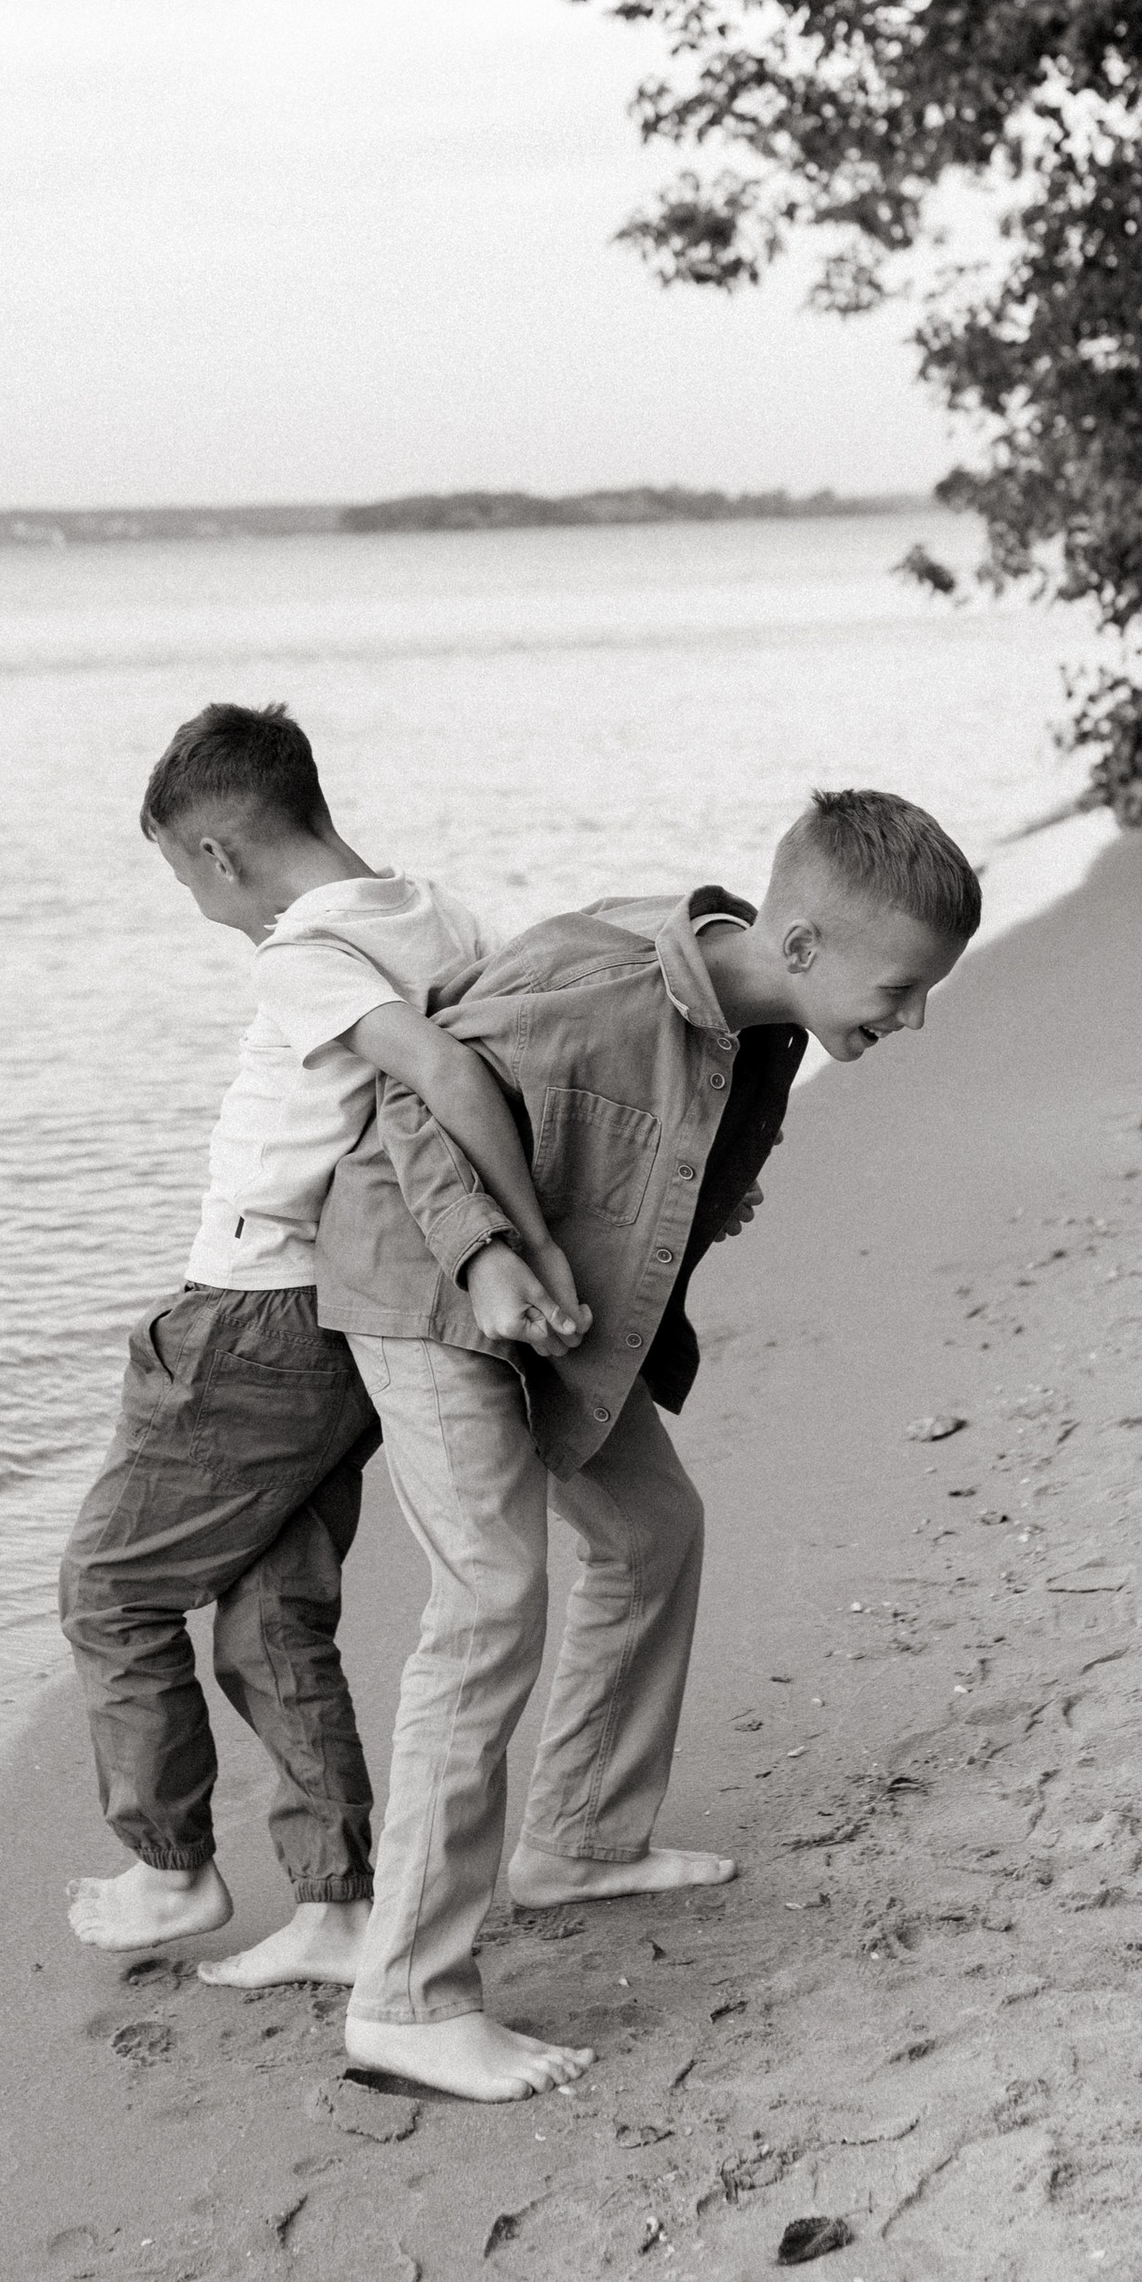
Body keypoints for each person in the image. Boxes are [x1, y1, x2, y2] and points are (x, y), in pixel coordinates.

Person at [310, 786, 981, 2103]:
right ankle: (404, 1994)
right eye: (901, 987)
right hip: (424, 1281)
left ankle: (576, 1838)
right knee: (492, 1595)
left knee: (651, 1528)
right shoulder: (604, 979)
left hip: (554, 1304)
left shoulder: (766, 1016)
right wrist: (490, 1252)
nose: (913, 1017)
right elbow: (418, 1092)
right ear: (800, 942)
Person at [59, 700, 581, 1987]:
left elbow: (449, 1079)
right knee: (267, 1609)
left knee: (110, 1589)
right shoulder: (441, 914)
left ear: (216, 854)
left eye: (180, 871)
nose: (194, 898)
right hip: (353, 1306)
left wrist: (529, 1236)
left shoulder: (303, 948)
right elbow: (504, 1046)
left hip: (250, 1314)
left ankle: (170, 1866)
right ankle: (338, 1903)